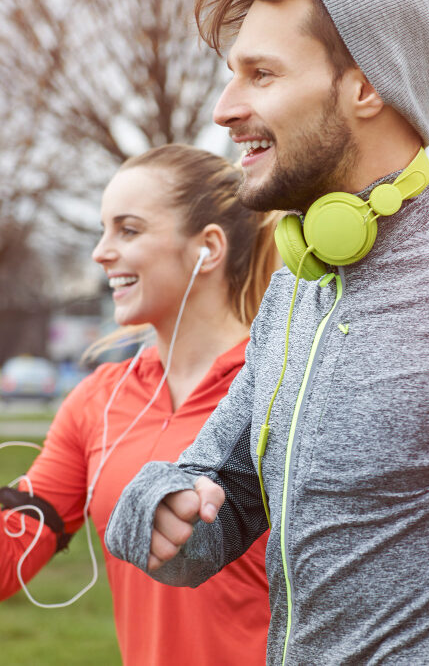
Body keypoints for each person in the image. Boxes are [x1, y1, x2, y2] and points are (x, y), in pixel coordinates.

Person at [105, 1, 429, 664]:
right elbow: (217, 492)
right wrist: (157, 503)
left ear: (365, 86)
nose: (223, 109)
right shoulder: (296, 286)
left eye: (261, 74)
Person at [0, 143, 282, 665]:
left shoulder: (283, 385)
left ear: (208, 248)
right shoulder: (97, 400)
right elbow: (11, 554)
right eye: (104, 230)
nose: (101, 252)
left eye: (128, 230)